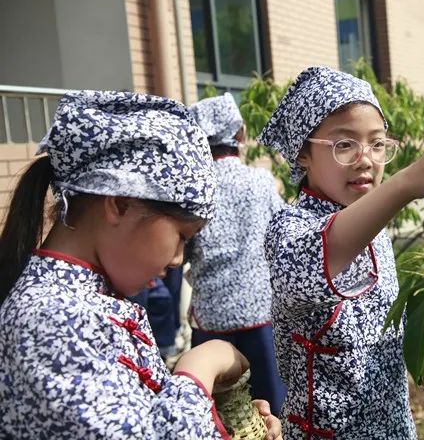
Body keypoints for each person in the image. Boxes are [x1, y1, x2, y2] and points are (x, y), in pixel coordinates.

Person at [0, 90, 281, 439]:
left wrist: (217, 417)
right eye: (182, 234)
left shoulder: (92, 299)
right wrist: (198, 369)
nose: (179, 257)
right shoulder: (48, 317)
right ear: (119, 205)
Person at [258, 66, 424, 438]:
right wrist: (405, 184)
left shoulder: (373, 225)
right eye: (344, 144)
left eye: (378, 144)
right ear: (302, 154)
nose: (367, 159)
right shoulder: (290, 227)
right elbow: (306, 266)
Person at [186, 93, 287, 415]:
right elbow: (282, 235)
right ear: (240, 135)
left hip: (211, 315)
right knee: (270, 405)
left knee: (216, 408)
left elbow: (183, 248)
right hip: (259, 312)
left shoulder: (194, 187)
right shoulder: (260, 182)